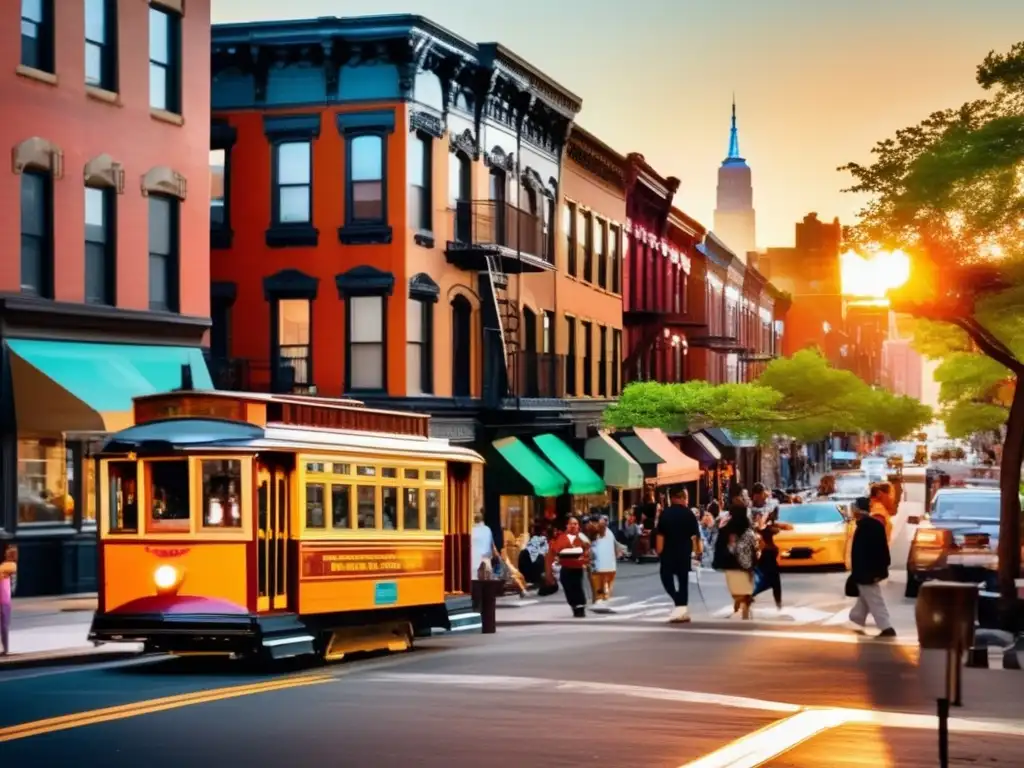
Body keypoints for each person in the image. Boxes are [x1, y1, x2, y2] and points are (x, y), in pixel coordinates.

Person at [848, 496, 895, 638]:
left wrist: (872, 571)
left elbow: (869, 552)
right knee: (865, 599)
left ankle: (886, 627)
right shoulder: (870, 525)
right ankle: (856, 619)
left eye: (853, 509)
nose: (852, 512)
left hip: (867, 571)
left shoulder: (867, 527)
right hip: (868, 571)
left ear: (858, 510)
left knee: (874, 599)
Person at [655, 488, 702, 623]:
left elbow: (660, 535)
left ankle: (678, 601)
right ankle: (681, 606)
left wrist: (659, 550)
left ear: (672, 498)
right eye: (686, 497)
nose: (687, 501)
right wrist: (698, 552)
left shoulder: (665, 514)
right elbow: (696, 536)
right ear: (680, 498)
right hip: (684, 552)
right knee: (683, 581)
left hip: (668, 552)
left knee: (666, 578)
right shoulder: (689, 514)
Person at [715, 504, 759, 619]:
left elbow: (720, 547)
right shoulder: (749, 530)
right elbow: (754, 548)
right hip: (746, 566)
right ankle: (745, 602)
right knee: (746, 588)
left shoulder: (726, 529)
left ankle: (740, 602)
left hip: (732, 566)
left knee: (735, 590)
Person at [546, 516, 590, 617]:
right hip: (565, 567)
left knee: (577, 586)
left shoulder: (582, 537)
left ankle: (580, 607)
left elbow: (587, 550)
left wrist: (586, 561)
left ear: (578, 526)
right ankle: (574, 605)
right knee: (567, 585)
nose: (573, 526)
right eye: (571, 524)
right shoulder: (561, 537)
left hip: (577, 567)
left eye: (576, 524)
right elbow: (553, 551)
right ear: (567, 525)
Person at [590, 516, 626, 604]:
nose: (604, 523)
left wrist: (620, 550)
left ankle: (604, 597)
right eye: (602, 522)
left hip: (609, 566)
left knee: (607, 584)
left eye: (606, 521)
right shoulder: (594, 534)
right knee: (599, 583)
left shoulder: (609, 533)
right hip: (599, 566)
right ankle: (599, 598)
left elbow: (615, 544)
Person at [470, 511, 499, 581]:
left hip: (473, 563)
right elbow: (493, 547)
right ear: (482, 520)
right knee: (487, 585)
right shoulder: (487, 529)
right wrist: (497, 557)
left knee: (476, 585)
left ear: (474, 520)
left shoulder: (471, 530)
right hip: (486, 562)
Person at [1, 544, 17, 655]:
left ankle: (6, 649)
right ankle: (5, 649)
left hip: (4, 599)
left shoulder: (10, 566)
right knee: (4, 626)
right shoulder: (5, 565)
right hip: (4, 599)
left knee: (4, 626)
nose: (7, 553)